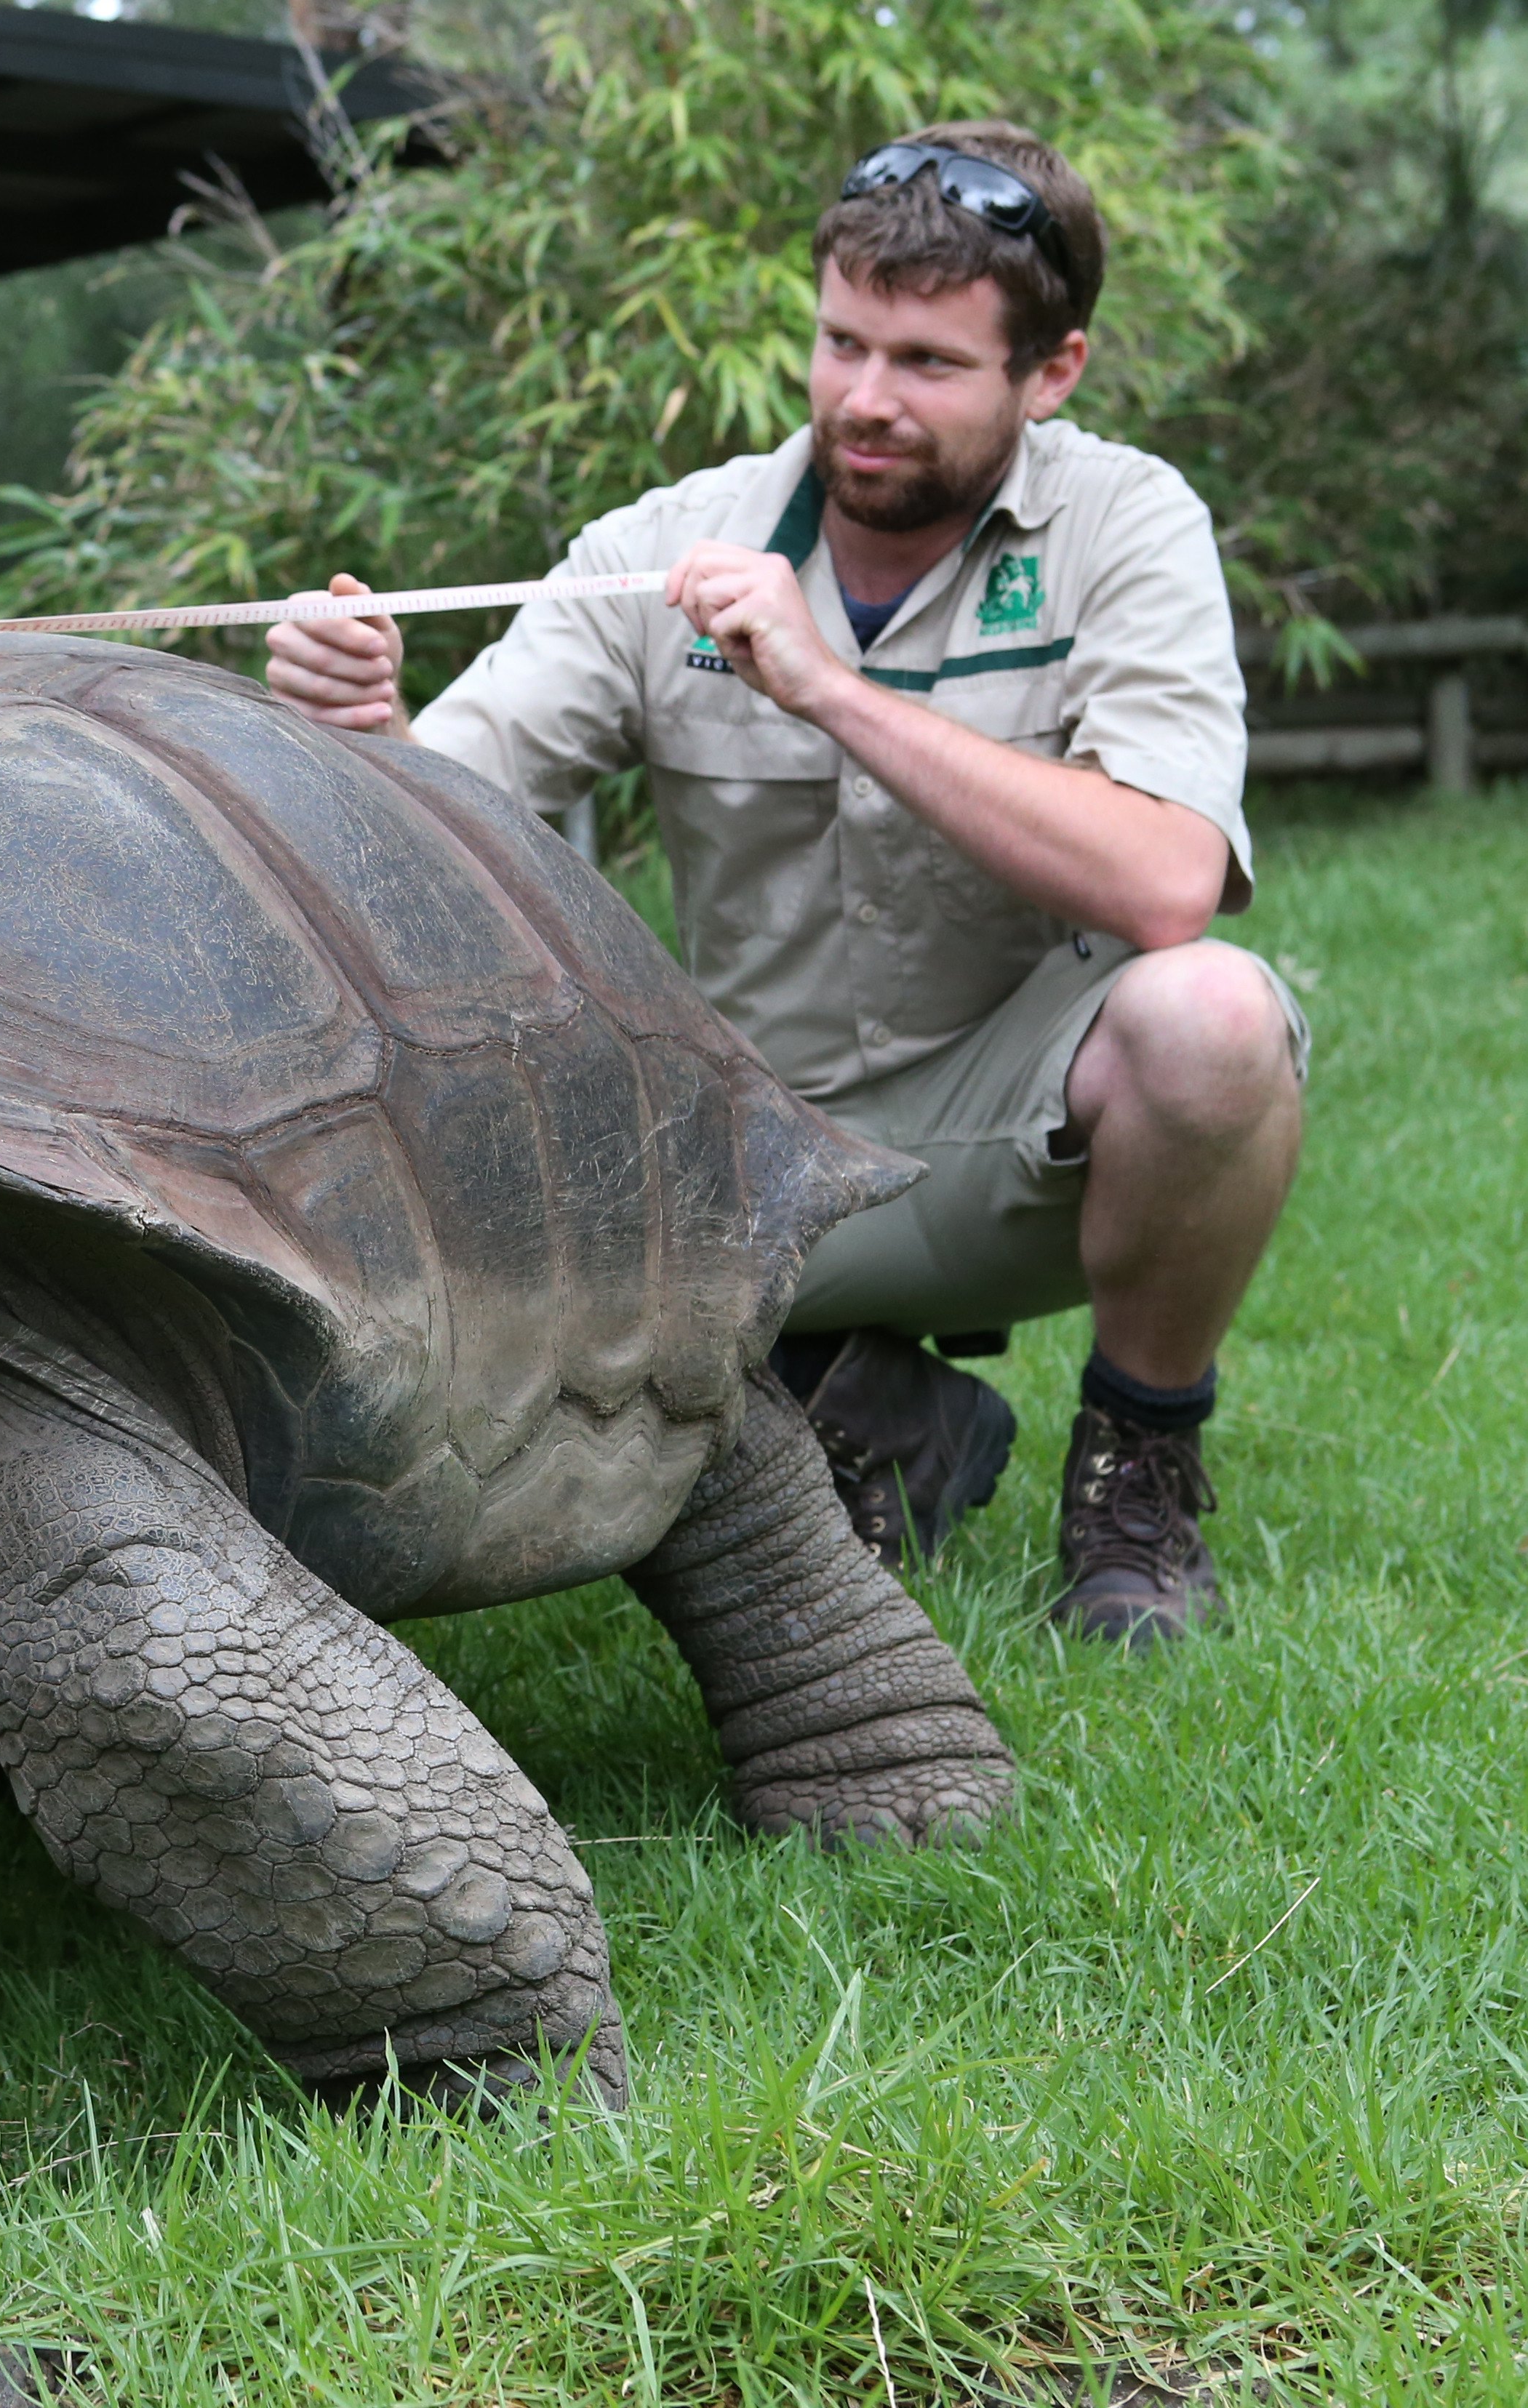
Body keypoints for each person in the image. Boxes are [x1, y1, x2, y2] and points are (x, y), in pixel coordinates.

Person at [261, 121, 1305, 1646]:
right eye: (840, 343)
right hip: (731, 1174)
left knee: (1213, 1018)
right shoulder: (669, 543)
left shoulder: (1127, 528)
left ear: (1052, 371)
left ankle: (1135, 1472)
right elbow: (441, 826)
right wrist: (363, 734)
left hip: (1008, 1154)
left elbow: (1167, 884)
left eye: (930, 364)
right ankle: (851, 1407)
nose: (866, 401)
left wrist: (831, 689)